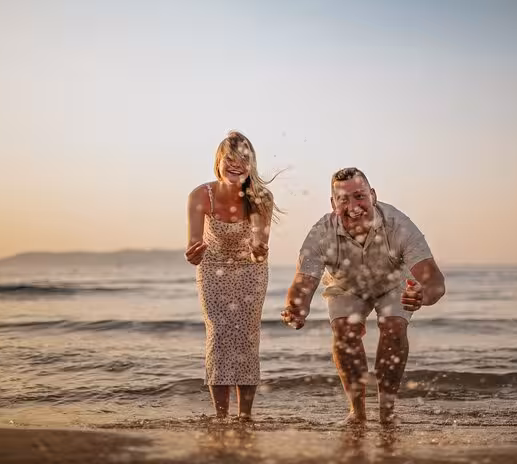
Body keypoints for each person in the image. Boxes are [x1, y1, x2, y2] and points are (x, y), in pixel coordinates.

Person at [281, 167, 445, 425]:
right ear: (332, 203)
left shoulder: (399, 225)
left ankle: (387, 411)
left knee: (393, 326)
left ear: (373, 196)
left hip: (391, 283)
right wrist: (295, 308)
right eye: (343, 199)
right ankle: (357, 413)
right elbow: (303, 282)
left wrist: (423, 295)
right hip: (346, 285)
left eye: (359, 196)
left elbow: (434, 281)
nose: (353, 206)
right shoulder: (321, 232)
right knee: (345, 331)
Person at [185, 131, 280, 420]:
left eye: (243, 159)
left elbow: (260, 250)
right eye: (230, 159)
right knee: (219, 334)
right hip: (213, 268)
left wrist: (258, 252)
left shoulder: (261, 197)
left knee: (247, 337)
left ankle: (246, 417)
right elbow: (193, 245)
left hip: (250, 270)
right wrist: (193, 254)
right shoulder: (201, 195)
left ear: (251, 165)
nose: (236, 165)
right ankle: (221, 415)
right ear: (219, 161)